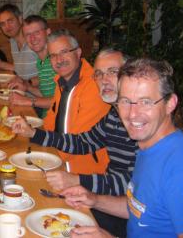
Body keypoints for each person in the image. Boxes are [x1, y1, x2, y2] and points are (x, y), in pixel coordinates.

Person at [63, 58, 183, 238]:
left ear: (170, 103)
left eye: (146, 102)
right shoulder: (148, 146)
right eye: (125, 101)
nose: (133, 114)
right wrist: (94, 199)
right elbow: (139, 207)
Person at [13, 48, 137, 237]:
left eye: (113, 72)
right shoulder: (115, 115)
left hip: (127, 217)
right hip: (110, 201)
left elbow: (133, 183)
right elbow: (82, 142)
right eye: (99, 74)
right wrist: (33, 133)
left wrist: (79, 180)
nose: (104, 80)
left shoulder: (138, 123)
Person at [41, 29, 111, 174]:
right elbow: (50, 122)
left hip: (87, 175)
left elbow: (75, 145)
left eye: (64, 52)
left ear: (78, 52)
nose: (59, 60)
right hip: (61, 164)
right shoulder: (61, 82)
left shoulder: (94, 86)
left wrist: (43, 146)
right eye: (53, 55)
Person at [8, 14, 56, 117]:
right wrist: (27, 87)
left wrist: (28, 100)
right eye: (28, 35)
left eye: (37, 32)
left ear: (48, 32)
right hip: (46, 119)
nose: (32, 38)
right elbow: (46, 94)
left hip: (56, 126)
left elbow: (62, 102)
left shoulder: (56, 61)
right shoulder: (40, 61)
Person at [0, 4, 38, 81]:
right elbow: (21, 69)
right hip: (23, 89)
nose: (7, 27)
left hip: (37, 91)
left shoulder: (34, 40)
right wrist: (1, 64)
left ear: (20, 19)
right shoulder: (13, 41)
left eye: (10, 21)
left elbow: (51, 74)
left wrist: (27, 84)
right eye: (3, 24)